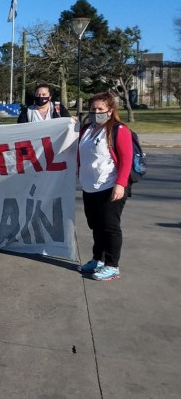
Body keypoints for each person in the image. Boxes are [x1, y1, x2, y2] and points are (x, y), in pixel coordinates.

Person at [77, 92, 133, 281]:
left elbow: (126, 160)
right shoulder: (85, 129)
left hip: (110, 186)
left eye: (101, 109)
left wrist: (120, 184)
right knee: (96, 226)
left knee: (110, 227)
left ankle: (112, 265)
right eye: (93, 109)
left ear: (110, 111)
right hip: (90, 186)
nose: (96, 112)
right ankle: (97, 259)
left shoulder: (118, 130)